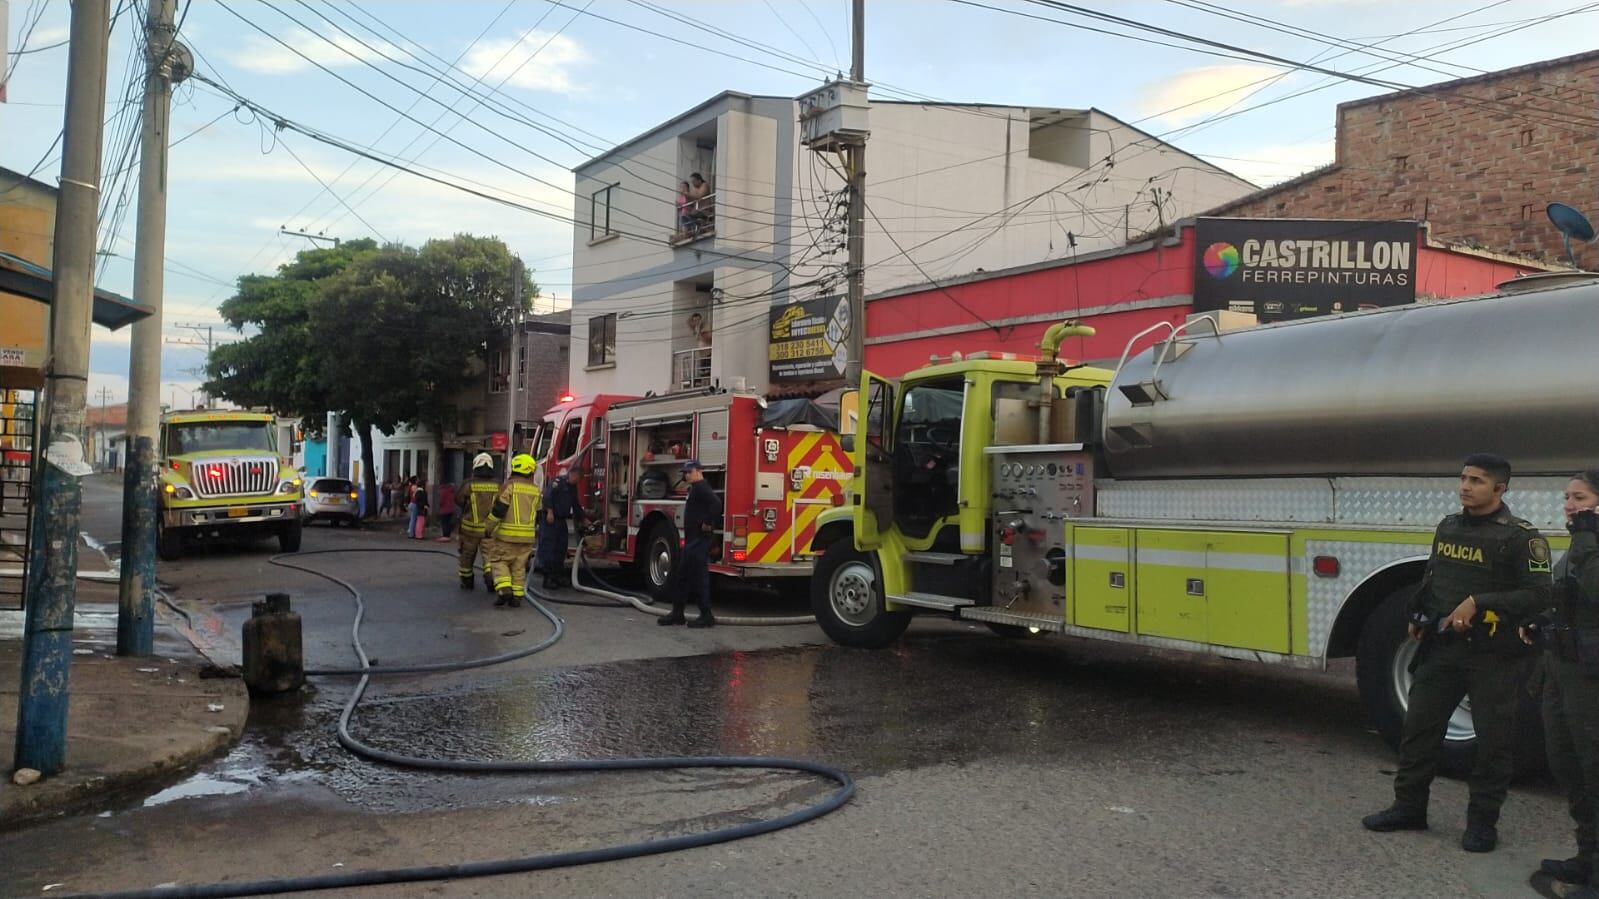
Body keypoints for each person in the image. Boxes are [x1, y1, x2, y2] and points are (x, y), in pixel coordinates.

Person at [1363, 453, 1552, 852]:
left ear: (1500, 489)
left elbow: (1538, 594)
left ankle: (1482, 824)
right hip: (1442, 650)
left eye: (1477, 481)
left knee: (1494, 744)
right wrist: (1419, 612)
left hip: (1493, 657)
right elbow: (1434, 576)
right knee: (1418, 731)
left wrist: (1478, 602)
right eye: (1463, 478)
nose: (1465, 486)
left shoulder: (1522, 537)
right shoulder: (1449, 527)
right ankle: (1408, 807)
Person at [1524, 469, 1599, 894]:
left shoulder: (1589, 544)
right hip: (1561, 670)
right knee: (1565, 763)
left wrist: (1589, 535)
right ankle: (1587, 857)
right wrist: (1541, 622)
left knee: (1594, 768)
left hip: (1591, 679)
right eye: (1567, 497)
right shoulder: (1579, 545)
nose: (1569, 505)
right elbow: (1566, 600)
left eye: (1580, 497)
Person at [659, 459, 720, 628]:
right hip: (692, 539)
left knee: (699, 578)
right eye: (685, 473)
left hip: (699, 540)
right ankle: (677, 613)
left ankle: (706, 615)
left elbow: (716, 504)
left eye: (689, 472)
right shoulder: (695, 489)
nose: (686, 475)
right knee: (682, 576)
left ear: (698, 471)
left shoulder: (702, 488)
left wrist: (707, 522)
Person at [484, 453, 541, 608]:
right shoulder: (536, 490)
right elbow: (539, 513)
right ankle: (517, 596)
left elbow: (498, 511)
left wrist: (488, 528)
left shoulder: (509, 486)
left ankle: (504, 589)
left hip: (506, 537)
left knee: (499, 561)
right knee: (519, 566)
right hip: (527, 539)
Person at [455, 453, 500, 591]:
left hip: (470, 530)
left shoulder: (468, 484)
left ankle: (467, 581)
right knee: (490, 556)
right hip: (489, 530)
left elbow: (458, 500)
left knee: (467, 557)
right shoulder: (498, 484)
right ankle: (491, 578)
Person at [535, 469, 583, 591]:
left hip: (561, 520)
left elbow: (575, 504)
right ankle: (548, 577)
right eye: (578, 478)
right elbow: (547, 496)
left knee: (561, 548)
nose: (578, 481)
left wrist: (583, 518)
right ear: (573, 474)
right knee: (549, 548)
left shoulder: (572, 487)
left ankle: (557, 575)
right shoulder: (557, 482)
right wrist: (550, 511)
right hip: (550, 520)